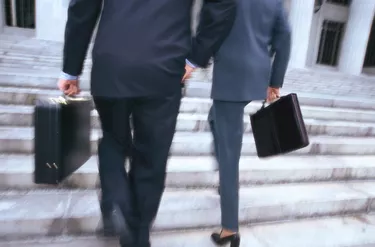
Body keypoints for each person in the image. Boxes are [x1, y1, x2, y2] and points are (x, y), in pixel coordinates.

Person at [57, 0, 236, 246]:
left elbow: (82, 7)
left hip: (112, 64)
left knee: (113, 140)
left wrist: (71, 70)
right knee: (152, 155)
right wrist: (197, 56)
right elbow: (223, 5)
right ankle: (137, 234)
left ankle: (119, 203)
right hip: (164, 64)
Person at [190, 0, 291, 246]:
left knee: (228, 155)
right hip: (257, 74)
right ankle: (223, 176)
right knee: (214, 118)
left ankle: (229, 229)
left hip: (231, 77)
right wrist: (275, 81)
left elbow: (208, 23)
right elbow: (285, 37)